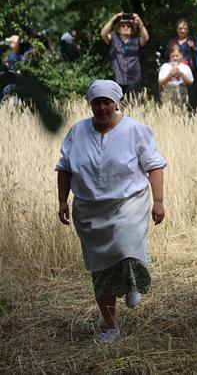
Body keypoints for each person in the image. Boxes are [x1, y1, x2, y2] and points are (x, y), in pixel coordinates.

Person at [56, 80, 166, 343]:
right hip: (89, 209)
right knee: (101, 269)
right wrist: (62, 201)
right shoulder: (78, 131)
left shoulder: (135, 130)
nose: (102, 108)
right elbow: (64, 168)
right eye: (96, 102)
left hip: (128, 202)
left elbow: (154, 165)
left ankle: (132, 283)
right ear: (90, 104)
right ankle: (111, 326)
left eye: (107, 102)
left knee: (125, 243)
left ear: (116, 103)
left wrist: (159, 201)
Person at [100, 12, 150, 97]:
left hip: (134, 79)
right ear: (118, 29)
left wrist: (140, 23)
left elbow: (146, 38)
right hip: (118, 79)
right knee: (118, 107)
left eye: (129, 26)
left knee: (134, 107)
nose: (126, 27)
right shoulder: (113, 40)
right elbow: (103, 34)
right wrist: (114, 18)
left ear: (132, 29)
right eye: (123, 26)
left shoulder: (136, 41)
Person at [168, 19, 197, 108]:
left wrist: (193, 47)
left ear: (188, 30)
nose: (183, 30)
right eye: (180, 28)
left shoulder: (192, 40)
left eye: (185, 28)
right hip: (175, 74)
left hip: (189, 73)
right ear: (177, 29)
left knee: (190, 97)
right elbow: (168, 57)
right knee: (175, 99)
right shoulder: (172, 42)